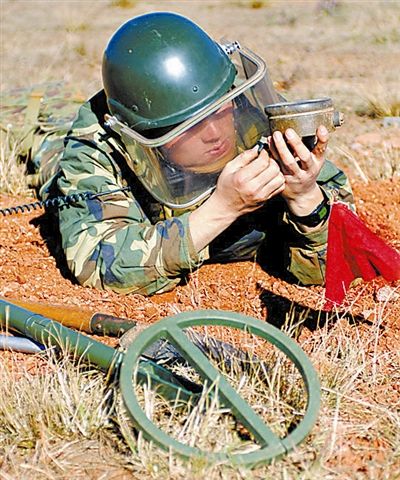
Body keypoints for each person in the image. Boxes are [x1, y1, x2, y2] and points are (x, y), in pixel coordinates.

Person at [40, 11, 354, 295]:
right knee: (43, 138)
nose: (215, 134)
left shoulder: (243, 104)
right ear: (146, 134)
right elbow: (100, 262)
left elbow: (342, 258)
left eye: (219, 109)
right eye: (189, 126)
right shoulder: (100, 147)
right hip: (57, 146)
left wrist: (305, 198)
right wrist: (223, 208)